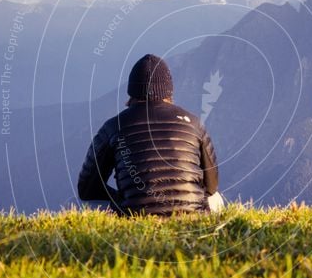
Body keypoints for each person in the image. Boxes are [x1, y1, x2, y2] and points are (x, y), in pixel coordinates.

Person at [78, 54, 222, 215]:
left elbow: (87, 189)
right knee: (215, 198)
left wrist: (122, 197)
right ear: (169, 91)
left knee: (90, 203)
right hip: (192, 218)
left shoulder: (112, 127)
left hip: (135, 217)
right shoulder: (195, 123)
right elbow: (211, 186)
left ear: (131, 90)